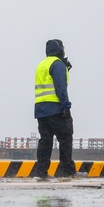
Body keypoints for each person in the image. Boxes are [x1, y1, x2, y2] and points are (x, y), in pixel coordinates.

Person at [32, 39, 76, 180]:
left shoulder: (41, 65)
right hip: (55, 108)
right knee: (65, 138)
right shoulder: (57, 65)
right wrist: (66, 106)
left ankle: (41, 172)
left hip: (41, 109)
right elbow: (60, 88)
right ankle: (67, 171)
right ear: (59, 49)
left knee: (45, 140)